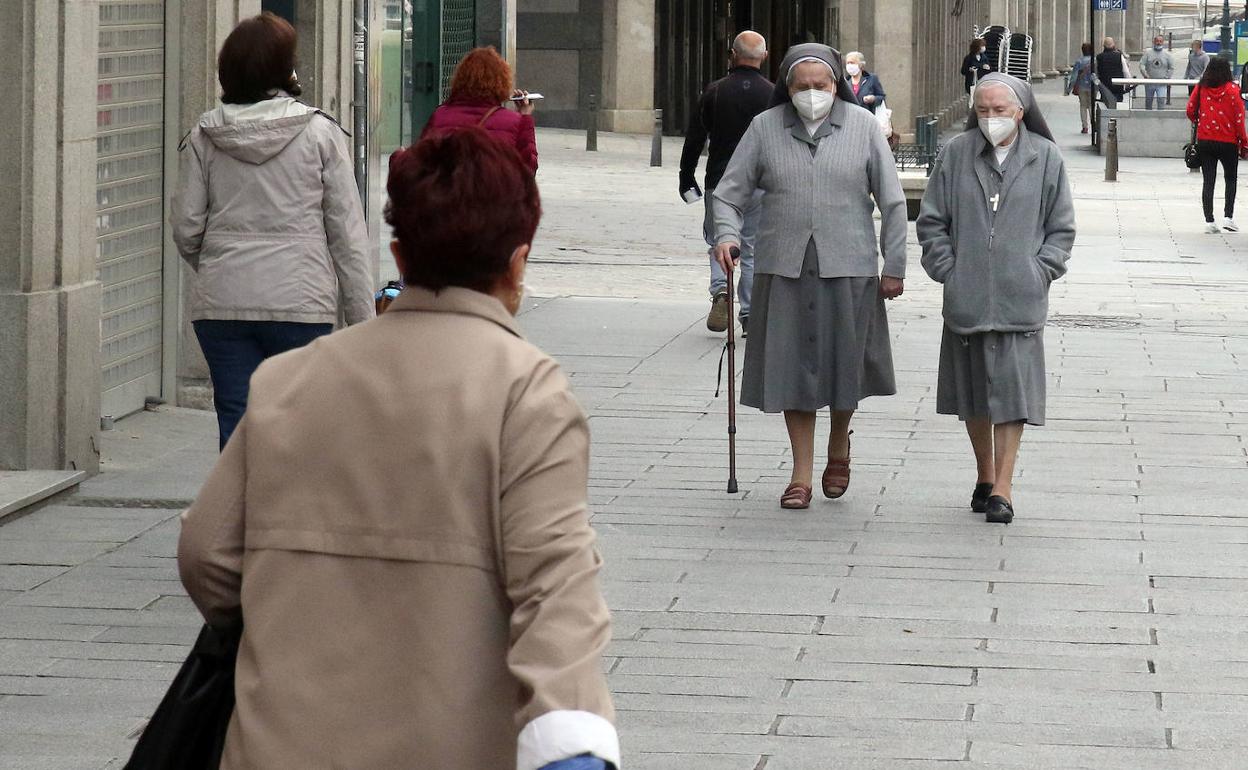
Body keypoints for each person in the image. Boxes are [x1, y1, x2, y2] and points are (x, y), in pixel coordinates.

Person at [177, 129, 620, 770]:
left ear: (398, 254)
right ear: (517, 262)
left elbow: (206, 555)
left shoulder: (286, 382)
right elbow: (556, 588)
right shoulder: (525, 392)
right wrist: (572, 742)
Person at [712, 44, 907, 510]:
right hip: (785, 265)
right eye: (803, 86)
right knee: (792, 368)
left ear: (837, 84)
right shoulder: (765, 128)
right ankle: (800, 472)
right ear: (787, 87)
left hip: (850, 265)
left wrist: (894, 266)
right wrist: (725, 235)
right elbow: (727, 194)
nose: (813, 93)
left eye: (822, 85)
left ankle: (839, 441)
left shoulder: (862, 127)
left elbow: (893, 201)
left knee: (845, 363)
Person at [171, 12, 374, 451]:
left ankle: (239, 514)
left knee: (236, 421)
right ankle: (288, 515)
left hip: (223, 306)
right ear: (287, 69)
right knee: (299, 427)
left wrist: (220, 264)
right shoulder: (321, 134)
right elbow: (348, 238)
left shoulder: (204, 136)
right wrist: (363, 324)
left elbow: (187, 228)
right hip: (301, 306)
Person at [917, 73, 1075, 525]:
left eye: (999, 111)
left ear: (1020, 111)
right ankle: (984, 474)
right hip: (966, 296)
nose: (990, 119)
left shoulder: (1045, 158)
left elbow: (1061, 228)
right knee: (973, 393)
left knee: (1011, 393)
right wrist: (949, 269)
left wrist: (1040, 270)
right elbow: (932, 221)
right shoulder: (955, 154)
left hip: (1019, 297)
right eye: (982, 111)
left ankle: (1003, 487)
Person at [679, 31, 772, 334]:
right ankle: (749, 313)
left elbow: (695, 137)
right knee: (753, 247)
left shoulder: (715, 91)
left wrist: (686, 174)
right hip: (759, 181)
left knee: (720, 241)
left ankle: (721, 290)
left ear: (731, 54)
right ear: (764, 56)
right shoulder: (772, 95)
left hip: (720, 180)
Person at [422, 46, 538, 174]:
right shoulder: (517, 122)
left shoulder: (440, 116)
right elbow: (528, 169)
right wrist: (525, 116)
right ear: (503, 82)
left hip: (449, 193)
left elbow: (421, 162)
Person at [1186, 57, 1248, 233]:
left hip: (1206, 140)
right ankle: (1228, 217)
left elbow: (1190, 109)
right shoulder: (1233, 90)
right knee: (1230, 178)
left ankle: (1209, 221)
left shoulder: (1201, 87)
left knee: (1209, 181)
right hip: (1228, 142)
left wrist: (1202, 121)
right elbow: (1239, 119)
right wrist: (1244, 142)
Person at [1095, 36, 1132, 108]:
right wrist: (1129, 83)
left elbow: (1096, 72)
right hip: (1117, 86)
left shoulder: (1099, 57)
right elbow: (1125, 71)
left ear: (1103, 45)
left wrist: (1097, 86)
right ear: (1113, 45)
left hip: (1105, 86)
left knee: (1106, 106)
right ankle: (1115, 118)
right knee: (1117, 106)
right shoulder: (1119, 56)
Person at [1139, 36, 1174, 110]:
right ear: (1154, 42)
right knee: (1148, 101)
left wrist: (1167, 77)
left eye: (1160, 41)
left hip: (1161, 83)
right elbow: (1141, 64)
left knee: (1161, 100)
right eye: (1157, 41)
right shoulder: (1147, 53)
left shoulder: (1167, 55)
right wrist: (1145, 74)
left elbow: (1171, 67)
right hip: (1149, 82)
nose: (1159, 43)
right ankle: (1148, 117)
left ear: (1163, 42)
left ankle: (1160, 117)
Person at [1066, 43, 1095, 133]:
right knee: (1091, 106)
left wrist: (1069, 88)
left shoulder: (1079, 61)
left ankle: (1085, 127)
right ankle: (1094, 125)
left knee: (1083, 106)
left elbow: (1074, 76)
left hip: (1082, 86)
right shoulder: (1094, 61)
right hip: (1092, 86)